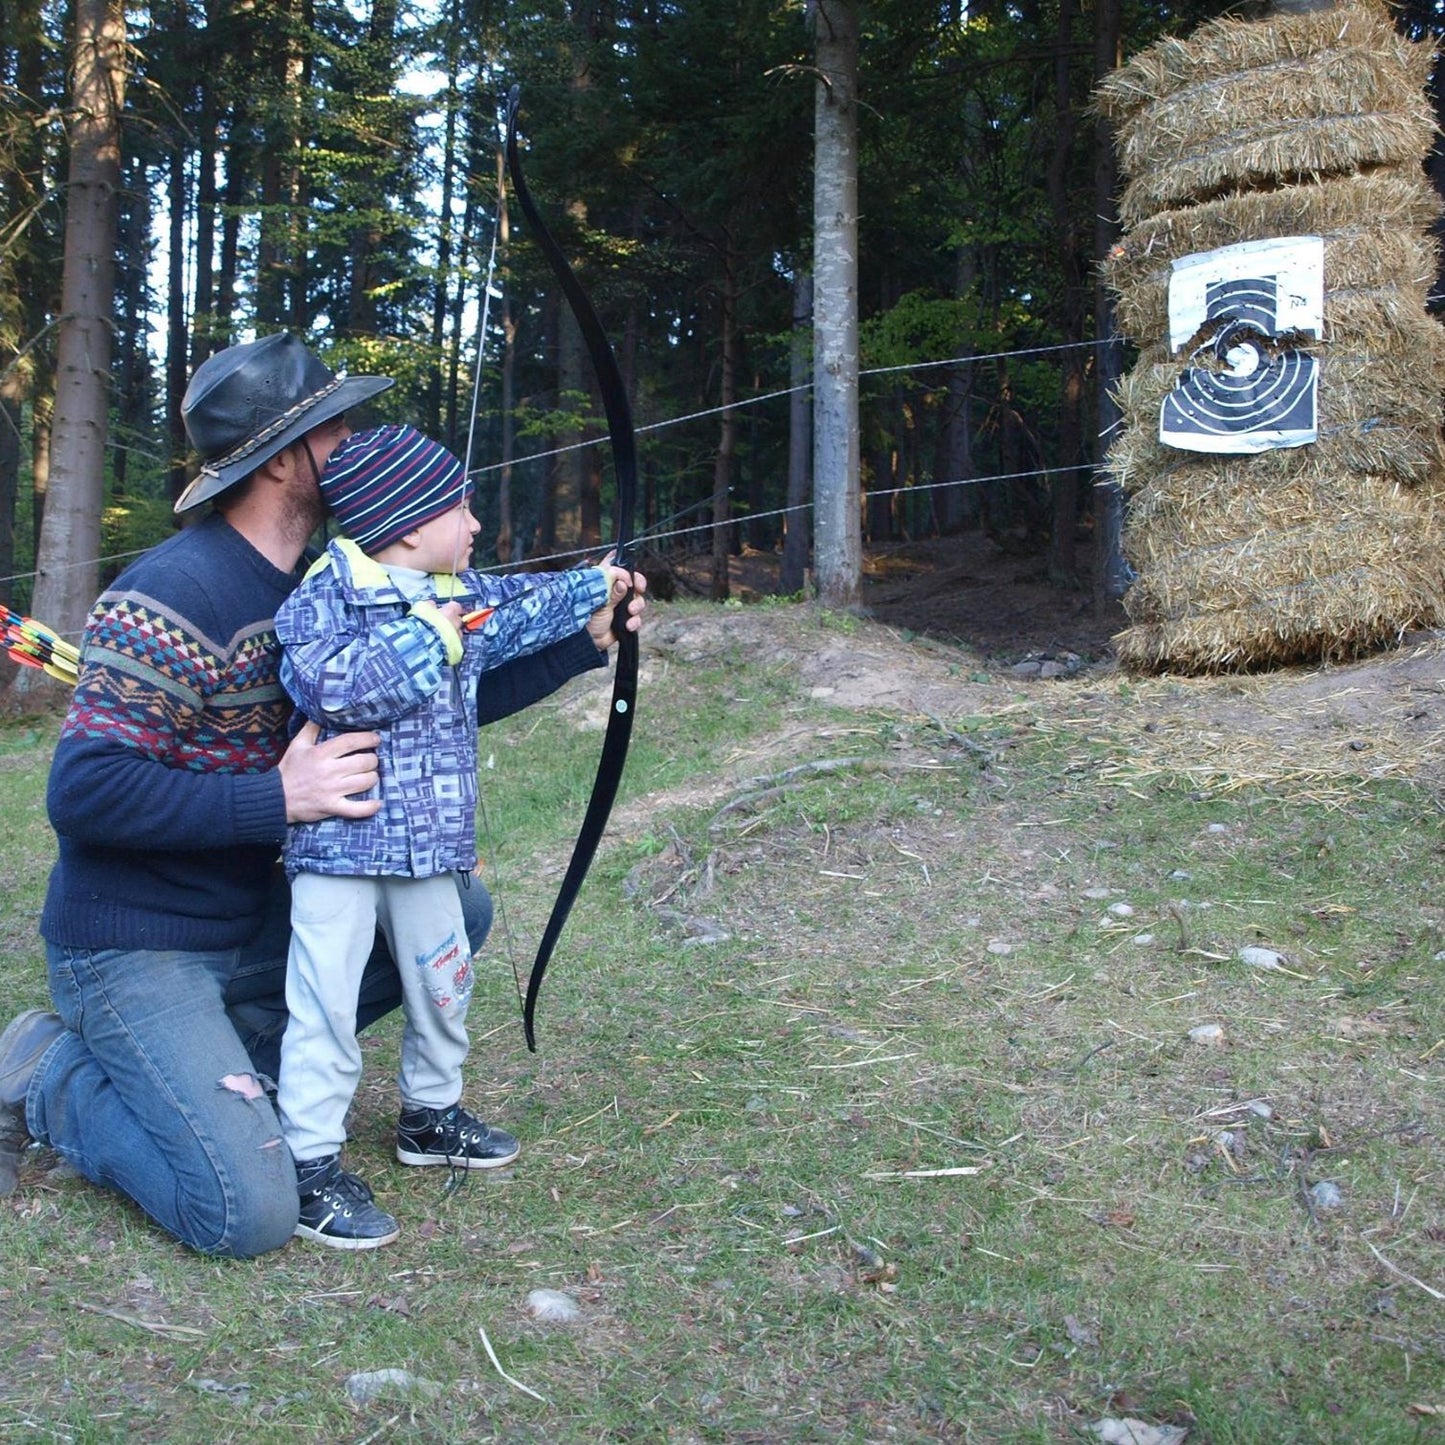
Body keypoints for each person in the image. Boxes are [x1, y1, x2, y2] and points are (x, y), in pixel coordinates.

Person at [0, 332, 646, 1256]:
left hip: (250, 917)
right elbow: (86, 794)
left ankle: (217, 1070)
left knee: (454, 910)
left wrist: (585, 643)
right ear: (284, 458)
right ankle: (54, 1069)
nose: (354, 435)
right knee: (246, 1211)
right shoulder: (170, 592)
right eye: (334, 424)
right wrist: (280, 795)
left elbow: (424, 697)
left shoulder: (328, 581)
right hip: (136, 941)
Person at [275, 423, 614, 1249]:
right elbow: (341, 687)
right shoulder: (324, 595)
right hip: (340, 849)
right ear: (407, 522)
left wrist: (599, 585)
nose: (472, 525)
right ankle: (308, 1162)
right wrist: (436, 629)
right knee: (322, 1002)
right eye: (460, 509)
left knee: (443, 984)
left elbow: (527, 606)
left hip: (429, 847)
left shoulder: (454, 592)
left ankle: (428, 1115)